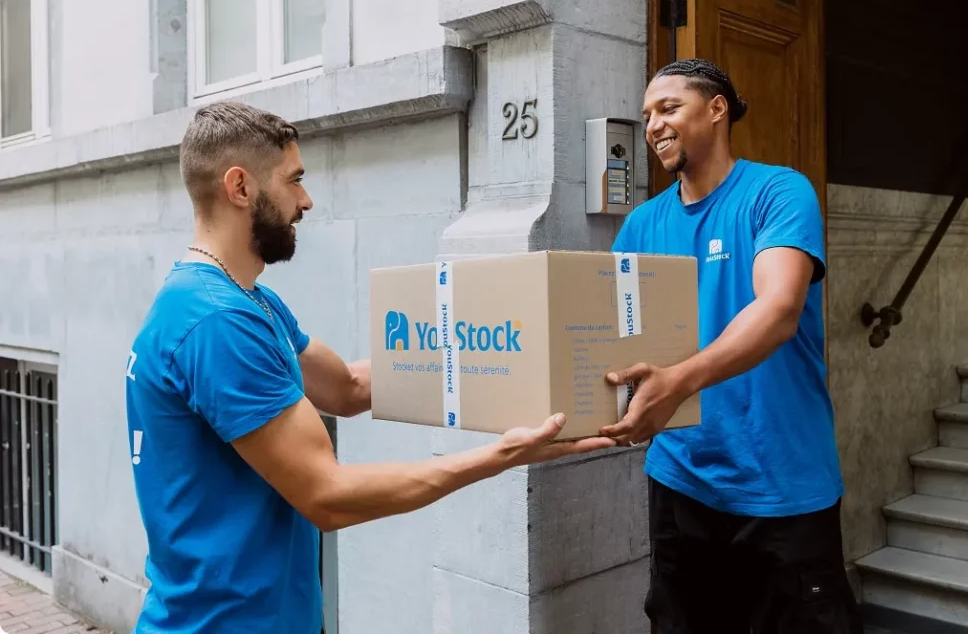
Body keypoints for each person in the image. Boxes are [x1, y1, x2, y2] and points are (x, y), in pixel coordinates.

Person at [124, 101, 615, 634]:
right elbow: (328, 495)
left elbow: (348, 387)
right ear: (240, 187)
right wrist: (500, 456)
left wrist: (520, 355)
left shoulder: (246, 301)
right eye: (294, 180)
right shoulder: (217, 321)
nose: (306, 201)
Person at [601, 59, 862, 633]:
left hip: (781, 482)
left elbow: (779, 309)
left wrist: (678, 381)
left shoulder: (778, 192)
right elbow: (607, 336)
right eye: (647, 115)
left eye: (669, 108)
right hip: (680, 481)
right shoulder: (641, 225)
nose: (653, 125)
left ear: (717, 108)